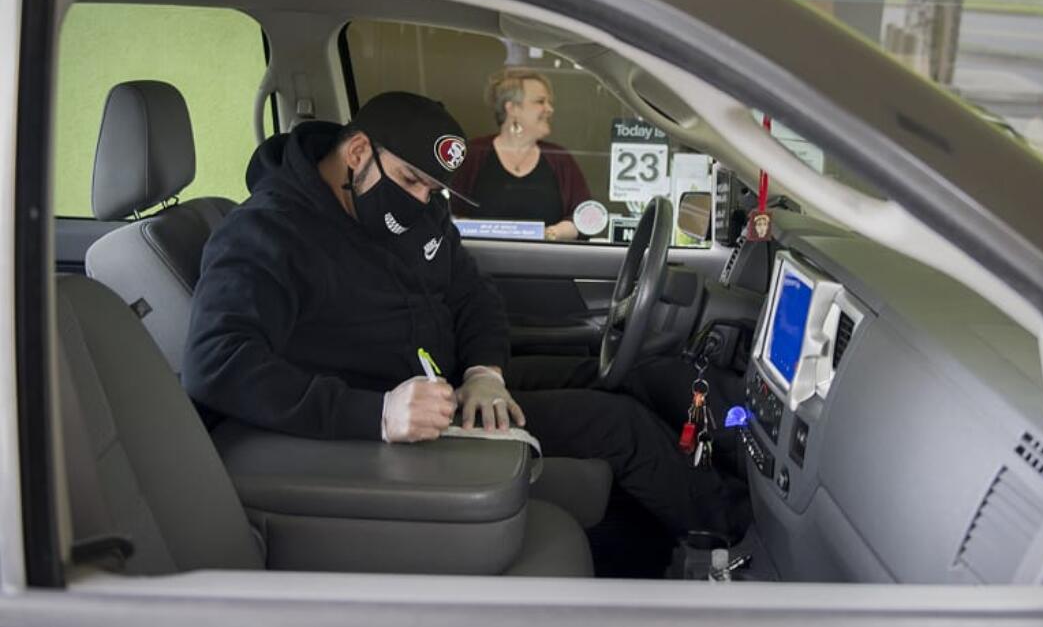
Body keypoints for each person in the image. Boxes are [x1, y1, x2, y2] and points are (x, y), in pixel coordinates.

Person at [183, 91, 748, 552]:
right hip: (396, 426)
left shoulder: (418, 212)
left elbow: (474, 295)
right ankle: (735, 537)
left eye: (433, 188)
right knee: (620, 425)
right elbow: (217, 363)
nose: (424, 200)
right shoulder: (268, 234)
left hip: (454, 384)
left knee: (644, 371)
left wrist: (486, 372)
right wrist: (377, 413)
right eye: (410, 181)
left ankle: (745, 462)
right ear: (357, 153)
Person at [450, 68, 590, 241]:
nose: (549, 109)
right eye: (540, 101)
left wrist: (549, 234)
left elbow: (583, 219)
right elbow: (450, 214)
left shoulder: (560, 159)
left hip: (547, 263)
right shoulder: (473, 155)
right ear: (513, 108)